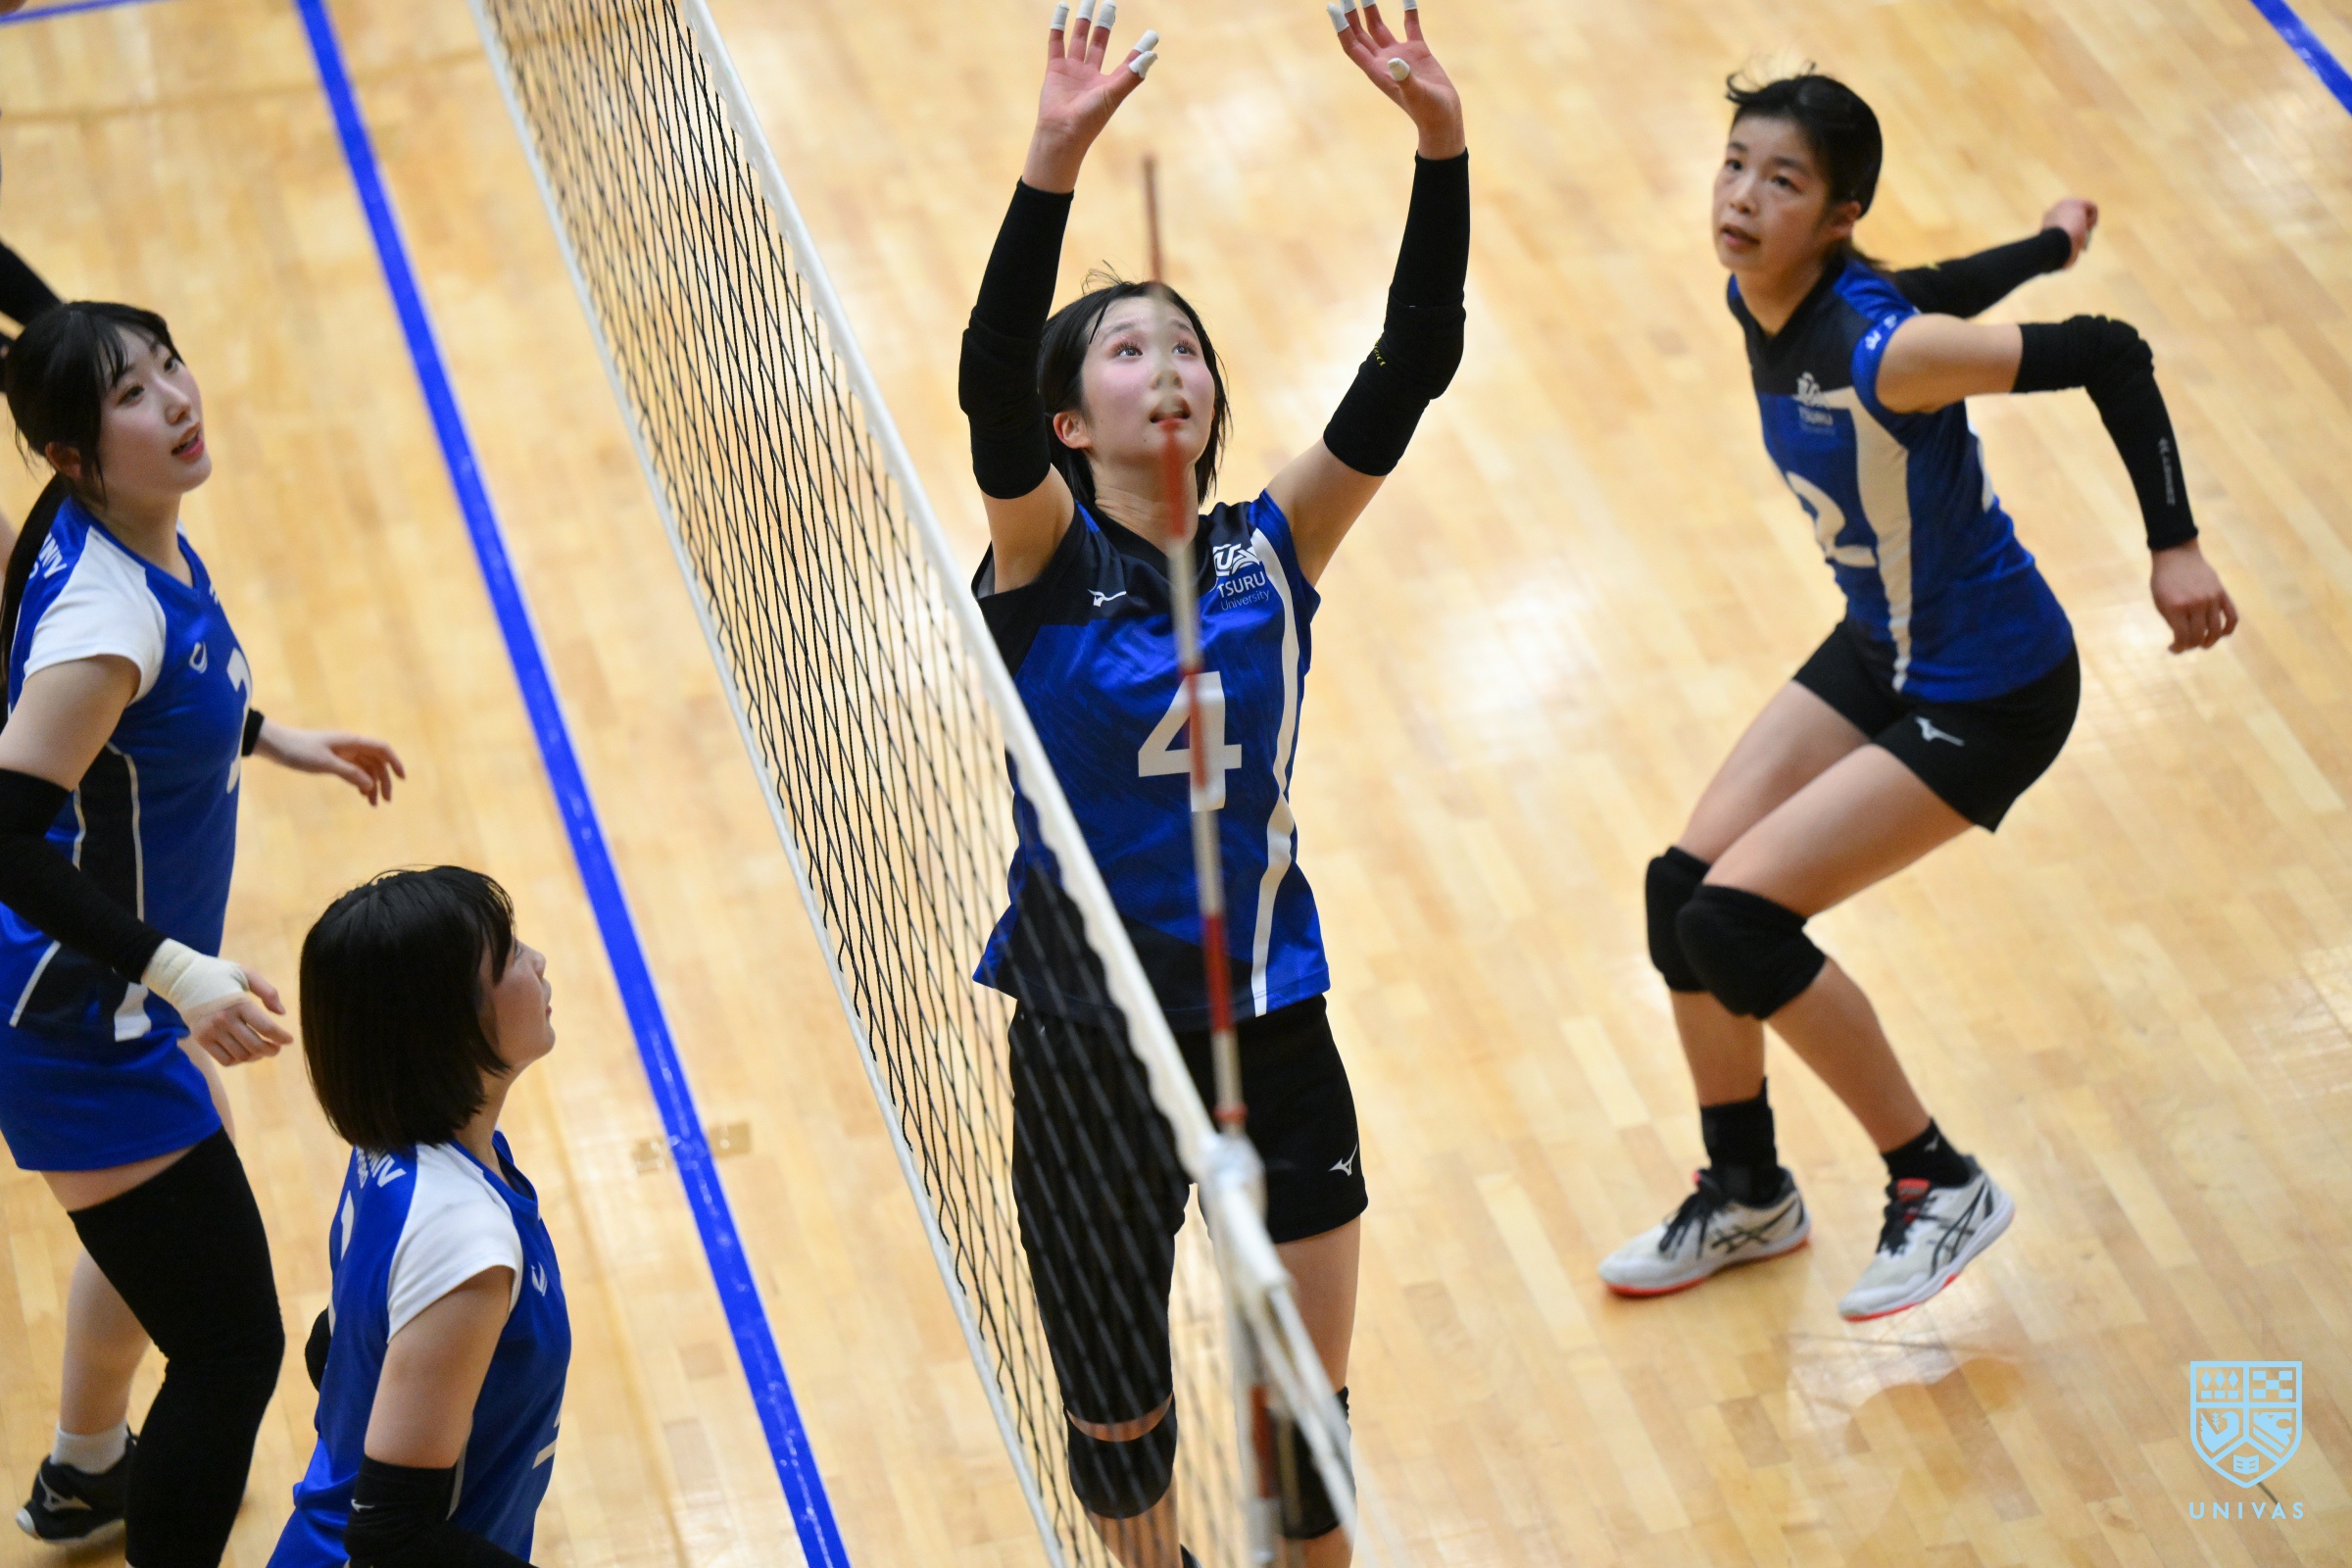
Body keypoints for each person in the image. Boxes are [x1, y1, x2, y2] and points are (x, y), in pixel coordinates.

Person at [957, 2, 1467, 1562]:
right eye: (1128, 350)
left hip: (1270, 1017)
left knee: (1303, 1423)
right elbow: (984, 384)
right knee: (1123, 1438)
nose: (1167, 366)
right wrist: (1052, 163)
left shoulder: (1274, 546)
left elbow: (1415, 361)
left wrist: (1441, 144)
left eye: (1186, 347)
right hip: (1088, 1041)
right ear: (1069, 422)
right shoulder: (1041, 563)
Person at [1601, 71, 2237, 1320]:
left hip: (1994, 686)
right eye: (1735, 164)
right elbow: (1930, 283)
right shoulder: (1769, 291)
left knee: (1737, 922)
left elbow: (2110, 352)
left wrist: (2175, 545)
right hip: (1883, 641)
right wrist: (2044, 247)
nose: (1743, 197)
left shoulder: (1883, 353)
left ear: (1838, 217)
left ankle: (1937, 1179)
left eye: (1783, 181)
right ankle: (1749, 1192)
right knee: (1681, 894)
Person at [1, 301, 405, 1558]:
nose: (176, 398)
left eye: (168, 366)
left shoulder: (127, 527)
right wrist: (178, 974)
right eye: (132, 393)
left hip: (112, 1002)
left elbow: (154, 708)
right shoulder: (103, 622)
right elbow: (5, 837)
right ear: (71, 454)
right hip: (75, 1026)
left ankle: (84, 1472)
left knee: (150, 1239)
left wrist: (273, 737)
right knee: (233, 1347)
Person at [270, 867, 567, 1568]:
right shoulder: (464, 1239)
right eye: (510, 955)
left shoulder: (394, 1152)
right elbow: (391, 1537)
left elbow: (336, 1349)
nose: (537, 961)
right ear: (450, 1024)